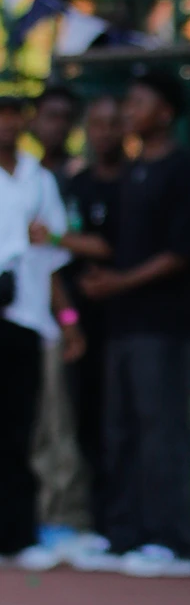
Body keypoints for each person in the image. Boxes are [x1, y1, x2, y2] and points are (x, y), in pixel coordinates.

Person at [78, 68, 190, 579]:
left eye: (138, 103)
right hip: (122, 326)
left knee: (161, 432)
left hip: (164, 327)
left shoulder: (183, 171)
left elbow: (182, 252)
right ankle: (123, 534)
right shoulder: (131, 173)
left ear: (165, 113)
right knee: (120, 430)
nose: (129, 111)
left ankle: (171, 542)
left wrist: (120, 282)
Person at [0, 94, 82, 562]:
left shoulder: (40, 179)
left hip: (28, 320)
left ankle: (19, 536)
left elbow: (51, 262)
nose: (7, 124)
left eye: (14, 116)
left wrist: (68, 321)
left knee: (23, 430)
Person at [58, 93, 126, 549]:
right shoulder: (76, 185)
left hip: (128, 327)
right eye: (96, 124)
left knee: (122, 426)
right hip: (81, 331)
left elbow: (114, 247)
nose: (104, 132)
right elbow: (58, 262)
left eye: (112, 123)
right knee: (82, 423)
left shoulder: (136, 183)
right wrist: (69, 320)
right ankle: (90, 523)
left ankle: (121, 526)